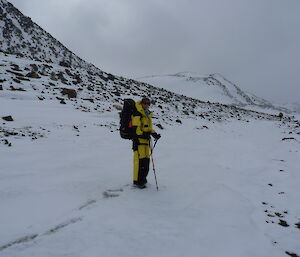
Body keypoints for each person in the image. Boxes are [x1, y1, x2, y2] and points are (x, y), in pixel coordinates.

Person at [131, 97, 161, 188]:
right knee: (140, 162)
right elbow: (136, 129)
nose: (147, 105)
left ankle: (143, 180)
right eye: (145, 103)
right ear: (141, 103)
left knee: (146, 161)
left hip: (146, 142)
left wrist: (154, 134)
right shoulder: (137, 113)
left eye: (148, 103)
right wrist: (144, 135)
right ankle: (138, 182)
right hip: (139, 141)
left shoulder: (147, 114)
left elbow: (148, 128)